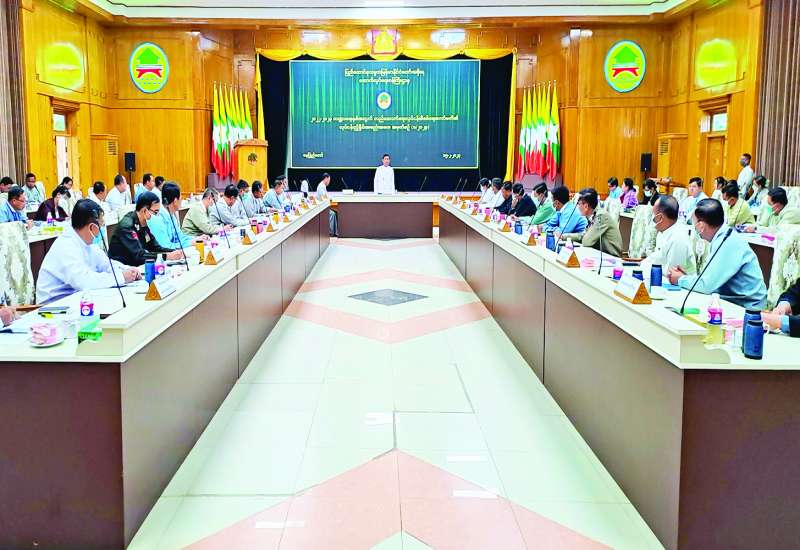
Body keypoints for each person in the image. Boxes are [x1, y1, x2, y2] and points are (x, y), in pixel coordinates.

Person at [667, 198, 766, 309]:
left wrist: (680, 279)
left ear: (701, 226)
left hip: (748, 307)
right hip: (732, 300)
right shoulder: (722, 237)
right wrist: (687, 278)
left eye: (694, 224)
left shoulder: (727, 242)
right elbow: (709, 279)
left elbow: (706, 286)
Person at [36, 199, 141, 303]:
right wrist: (121, 277)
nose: (101, 230)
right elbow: (84, 281)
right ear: (92, 227)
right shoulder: (66, 245)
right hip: (54, 305)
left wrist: (128, 270)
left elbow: (106, 264)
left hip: (76, 298)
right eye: (101, 226)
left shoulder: (87, 243)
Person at [108, 192, 183, 266]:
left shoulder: (144, 223)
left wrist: (175, 252)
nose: (157, 216)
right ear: (144, 211)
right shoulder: (127, 227)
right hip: (121, 267)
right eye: (155, 212)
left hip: (136, 265)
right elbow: (139, 256)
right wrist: (166, 256)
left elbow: (155, 247)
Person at [641, 195, 695, 275]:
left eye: (654, 214)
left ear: (660, 218)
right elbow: (656, 258)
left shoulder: (678, 238)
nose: (652, 219)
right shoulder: (663, 232)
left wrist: (647, 267)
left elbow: (672, 274)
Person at [563, 188, 623, 256]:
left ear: (586, 206)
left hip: (611, 257)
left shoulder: (601, 216)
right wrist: (563, 236)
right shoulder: (593, 215)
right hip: (601, 254)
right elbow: (583, 236)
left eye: (578, 204)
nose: (577, 207)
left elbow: (586, 242)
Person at [148, 182, 198, 249]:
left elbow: (179, 236)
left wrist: (196, 239)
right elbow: (166, 247)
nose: (181, 200)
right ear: (175, 201)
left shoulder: (171, 214)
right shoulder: (157, 219)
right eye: (181, 198)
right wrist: (190, 243)